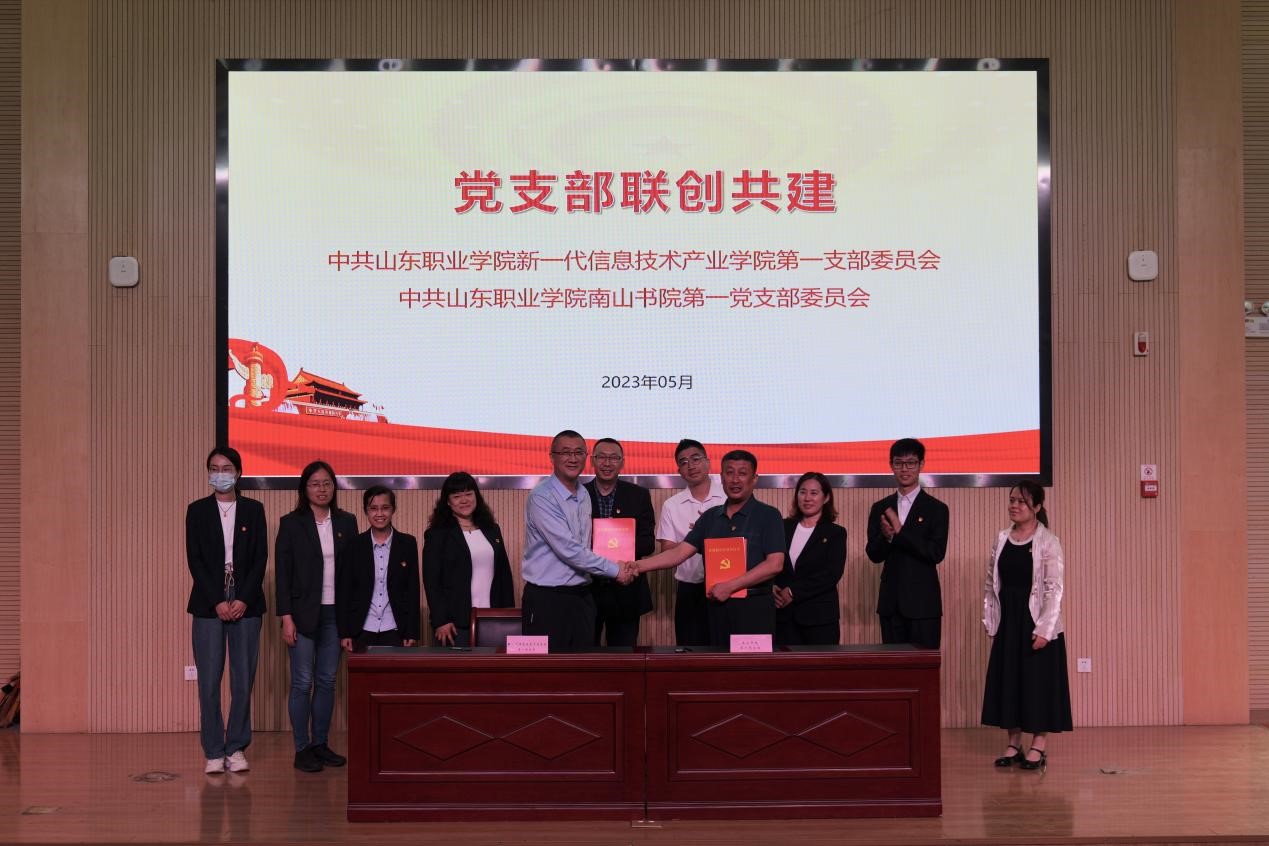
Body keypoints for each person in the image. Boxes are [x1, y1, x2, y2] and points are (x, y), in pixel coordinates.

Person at [635, 450, 784, 646]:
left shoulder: (769, 515)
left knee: (751, 664)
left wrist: (731, 586)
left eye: (742, 473)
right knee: (715, 662)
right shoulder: (710, 517)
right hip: (716, 609)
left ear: (754, 478)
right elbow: (678, 553)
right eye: (729, 473)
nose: (735, 479)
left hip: (754, 609)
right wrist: (636, 566)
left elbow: (775, 564)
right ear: (721, 477)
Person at [185, 447, 267, 775]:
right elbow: (195, 560)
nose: (220, 473)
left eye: (227, 468)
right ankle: (214, 751)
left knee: (243, 678)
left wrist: (243, 598)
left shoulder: (254, 510)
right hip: (209, 602)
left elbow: (260, 557)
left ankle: (236, 747)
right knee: (208, 680)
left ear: (238, 473)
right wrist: (217, 599)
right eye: (214, 468)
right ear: (208, 473)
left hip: (247, 601)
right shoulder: (197, 510)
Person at [981, 480, 1072, 770]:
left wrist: (1045, 629)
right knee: (1010, 680)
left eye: (1021, 501)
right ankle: (1013, 744)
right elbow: (991, 583)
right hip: (1009, 621)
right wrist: (991, 619)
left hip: (1035, 622)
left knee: (1037, 683)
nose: (1014, 505)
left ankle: (1038, 745)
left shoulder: (1049, 541)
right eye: (1012, 500)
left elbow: (1054, 589)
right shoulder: (1001, 538)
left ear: (1036, 506)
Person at [274, 460, 358, 773]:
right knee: (301, 682)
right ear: (304, 488)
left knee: (326, 680)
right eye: (314, 484)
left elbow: (352, 574)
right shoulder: (291, 523)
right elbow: (283, 574)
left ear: (334, 487)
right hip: (302, 614)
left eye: (326, 483)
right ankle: (302, 748)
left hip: (336, 613)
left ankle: (320, 743)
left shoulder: (347, 521)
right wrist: (286, 617)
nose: (321, 489)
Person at [521, 430, 636, 651]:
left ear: (586, 457)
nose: (572, 459)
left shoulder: (583, 494)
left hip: (582, 597)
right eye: (565, 452)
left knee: (583, 667)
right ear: (552, 457)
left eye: (578, 453)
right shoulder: (542, 497)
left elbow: (585, 546)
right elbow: (569, 550)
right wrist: (616, 570)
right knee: (548, 668)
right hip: (548, 599)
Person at [865, 438, 949, 649]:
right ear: (891, 465)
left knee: (924, 665)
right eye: (898, 463)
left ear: (921, 464)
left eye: (910, 463)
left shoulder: (937, 509)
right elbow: (873, 554)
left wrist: (900, 533)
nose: (904, 469)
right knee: (893, 666)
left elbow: (935, 553)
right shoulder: (880, 507)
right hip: (890, 603)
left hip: (923, 604)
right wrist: (886, 537)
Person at [421, 471, 515, 647]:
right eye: (457, 496)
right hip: (454, 624)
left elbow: (504, 575)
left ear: (476, 496)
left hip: (492, 619)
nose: (464, 500)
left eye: (468, 494)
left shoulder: (492, 529)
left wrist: (509, 615)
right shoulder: (437, 534)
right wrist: (441, 620)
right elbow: (432, 581)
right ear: (448, 502)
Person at [584, 438, 655, 646]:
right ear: (592, 460)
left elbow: (648, 543)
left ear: (622, 462)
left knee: (624, 656)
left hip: (627, 588)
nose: (607, 463)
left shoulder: (639, 495)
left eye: (614, 458)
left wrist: (619, 548)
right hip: (588, 589)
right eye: (601, 457)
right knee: (585, 653)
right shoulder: (579, 494)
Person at [655, 439, 726, 646]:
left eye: (696, 459)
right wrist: (695, 538)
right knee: (690, 652)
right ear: (679, 471)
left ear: (708, 462)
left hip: (728, 587)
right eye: (684, 462)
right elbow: (667, 550)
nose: (691, 466)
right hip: (689, 591)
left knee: (726, 652)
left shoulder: (727, 496)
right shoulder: (672, 505)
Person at [336, 486, 420, 651]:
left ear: (393, 509)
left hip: (396, 628)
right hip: (361, 628)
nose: (379, 513)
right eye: (373, 508)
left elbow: (412, 590)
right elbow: (345, 590)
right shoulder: (354, 545)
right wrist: (344, 632)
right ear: (365, 511)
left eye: (385, 508)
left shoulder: (407, 543)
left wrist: (412, 632)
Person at [775, 471, 847, 646]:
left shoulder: (835, 533)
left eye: (814, 493)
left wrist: (792, 591)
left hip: (819, 619)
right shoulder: (782, 527)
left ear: (826, 497)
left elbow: (831, 574)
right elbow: (770, 562)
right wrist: (772, 588)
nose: (807, 498)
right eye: (802, 492)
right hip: (783, 616)